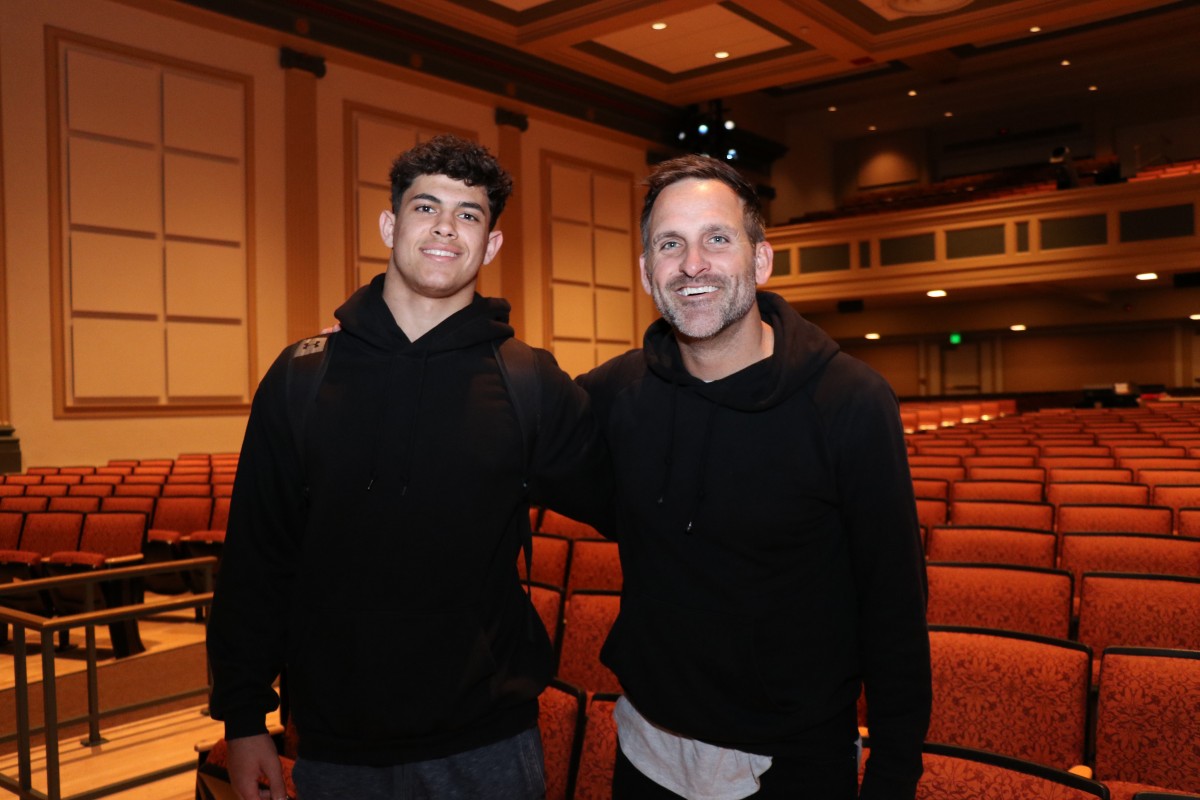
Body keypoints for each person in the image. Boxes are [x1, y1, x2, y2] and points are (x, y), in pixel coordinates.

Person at [207, 134, 610, 800]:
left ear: (491, 245)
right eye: (427, 207)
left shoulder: (527, 381)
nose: (447, 227)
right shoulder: (303, 375)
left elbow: (631, 496)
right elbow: (258, 555)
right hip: (337, 743)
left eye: (470, 214)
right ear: (390, 224)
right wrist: (245, 718)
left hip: (488, 742)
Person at [577, 155, 931, 800]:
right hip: (648, 750)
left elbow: (893, 607)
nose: (692, 264)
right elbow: (502, 431)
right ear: (646, 272)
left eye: (717, 238)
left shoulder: (850, 400)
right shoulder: (615, 393)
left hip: (794, 762)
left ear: (760, 260)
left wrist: (892, 776)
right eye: (669, 244)